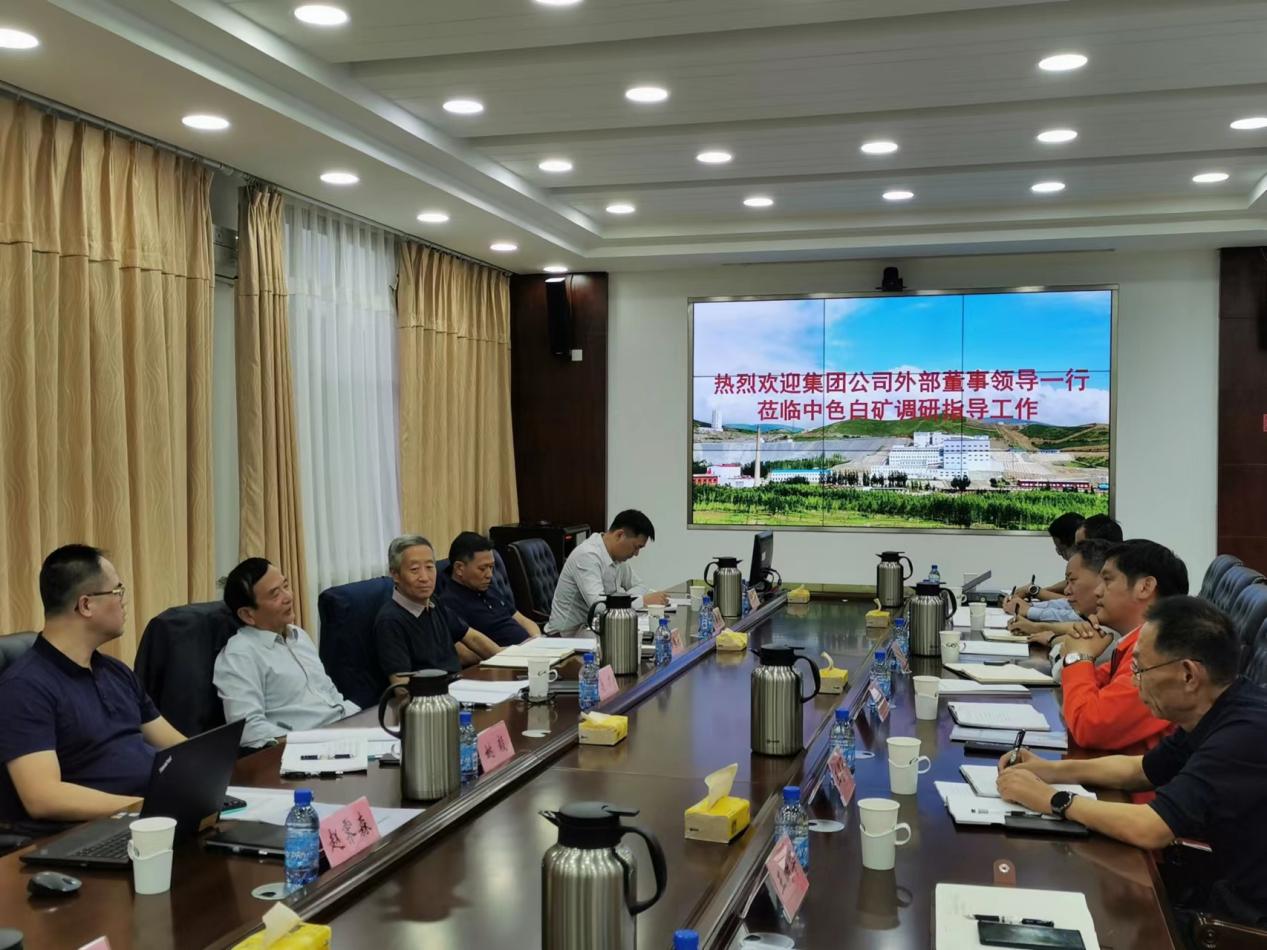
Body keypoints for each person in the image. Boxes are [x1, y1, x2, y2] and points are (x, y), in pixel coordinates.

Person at [996, 596, 1267, 935]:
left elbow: (1151, 827)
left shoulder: (1245, 733)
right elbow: (1140, 770)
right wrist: (1049, 770)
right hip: (1217, 886)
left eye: (1140, 670)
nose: (1135, 682)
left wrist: (1053, 800)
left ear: (1188, 675)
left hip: (1242, 923)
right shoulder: (1218, 706)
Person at [0, 545, 186, 832]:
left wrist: (206, 777)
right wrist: (144, 808)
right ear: (86, 605)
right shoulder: (24, 688)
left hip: (153, 818)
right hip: (92, 832)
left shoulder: (115, 671)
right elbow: (43, 797)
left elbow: (176, 746)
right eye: (117, 591)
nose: (124, 601)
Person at [1056, 539, 1188, 751]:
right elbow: (1078, 701)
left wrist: (1078, 657)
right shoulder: (1135, 643)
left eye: (1107, 580)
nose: (1098, 592)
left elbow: (1089, 727)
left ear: (1145, 587)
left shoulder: (1162, 654)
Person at [214, 558, 359, 749]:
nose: (288, 597)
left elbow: (330, 694)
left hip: (344, 730)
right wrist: (308, 742)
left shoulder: (299, 636)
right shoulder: (240, 655)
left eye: (286, 586)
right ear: (248, 614)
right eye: (275, 594)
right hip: (307, 748)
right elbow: (249, 730)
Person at [373, 535, 502, 684]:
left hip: (459, 684)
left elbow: (472, 638)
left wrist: (507, 659)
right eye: (414, 570)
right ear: (395, 574)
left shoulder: (433, 602)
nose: (424, 577)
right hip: (430, 694)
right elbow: (400, 686)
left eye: (429, 567)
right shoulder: (390, 621)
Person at [546, 509, 669, 633]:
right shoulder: (587, 555)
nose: (636, 554)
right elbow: (599, 607)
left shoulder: (618, 558)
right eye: (636, 547)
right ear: (620, 535)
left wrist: (623, 600)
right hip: (567, 636)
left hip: (597, 628)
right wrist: (641, 601)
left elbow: (640, 585)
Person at [439, 532, 540, 647]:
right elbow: (462, 651)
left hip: (530, 649)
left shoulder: (489, 589)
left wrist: (537, 640)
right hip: (503, 655)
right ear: (459, 568)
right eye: (483, 569)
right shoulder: (450, 603)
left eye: (491, 567)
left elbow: (522, 620)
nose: (490, 575)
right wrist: (512, 651)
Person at [1013, 512, 1085, 603]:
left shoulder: (1090, 565)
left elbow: (1074, 603)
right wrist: (1047, 590)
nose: (1059, 553)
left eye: (1060, 548)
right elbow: (1069, 583)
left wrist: (1035, 591)